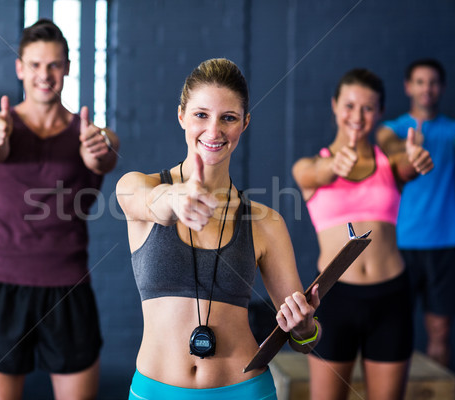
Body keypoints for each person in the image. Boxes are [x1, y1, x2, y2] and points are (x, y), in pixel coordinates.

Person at [117, 58, 321, 400]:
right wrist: (176, 198)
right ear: (181, 115)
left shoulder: (265, 222)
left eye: (228, 118)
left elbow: (304, 341)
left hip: (246, 390)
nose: (214, 131)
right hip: (155, 391)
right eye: (201, 115)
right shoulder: (137, 185)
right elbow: (146, 201)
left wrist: (304, 328)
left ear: (244, 123)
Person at [0, 19, 119, 400]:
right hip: (4, 285)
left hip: (68, 288)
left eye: (53, 64)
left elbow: (106, 157)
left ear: (67, 67)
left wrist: (95, 154)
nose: (44, 74)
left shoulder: (91, 134)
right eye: (34, 64)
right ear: (20, 68)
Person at [292, 68, 433, 400]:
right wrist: (334, 167)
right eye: (350, 105)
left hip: (391, 297)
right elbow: (316, 173)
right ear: (335, 106)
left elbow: (408, 166)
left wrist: (417, 158)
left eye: (368, 108)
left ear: (380, 112)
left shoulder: (390, 162)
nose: (358, 115)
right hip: (333, 299)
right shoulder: (309, 166)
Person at [376, 58, 455, 368]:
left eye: (434, 82)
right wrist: (409, 152)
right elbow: (388, 145)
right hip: (402, 244)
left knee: (440, 332)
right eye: (421, 82)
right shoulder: (392, 129)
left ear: (442, 88)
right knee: (395, 329)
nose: (427, 88)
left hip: (445, 244)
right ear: (408, 86)